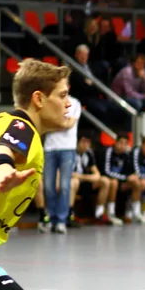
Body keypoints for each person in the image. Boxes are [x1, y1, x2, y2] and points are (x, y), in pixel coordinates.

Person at [0, 58, 72, 290]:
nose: (69, 104)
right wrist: (1, 172)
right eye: (62, 95)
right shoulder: (21, 127)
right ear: (39, 99)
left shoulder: (12, 125)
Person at [42, 94, 82, 233]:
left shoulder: (75, 102)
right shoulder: (49, 101)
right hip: (49, 148)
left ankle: (61, 220)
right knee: (48, 186)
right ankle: (51, 218)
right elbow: (44, 124)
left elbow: (69, 124)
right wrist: (61, 123)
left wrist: (56, 123)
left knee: (65, 186)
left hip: (68, 148)